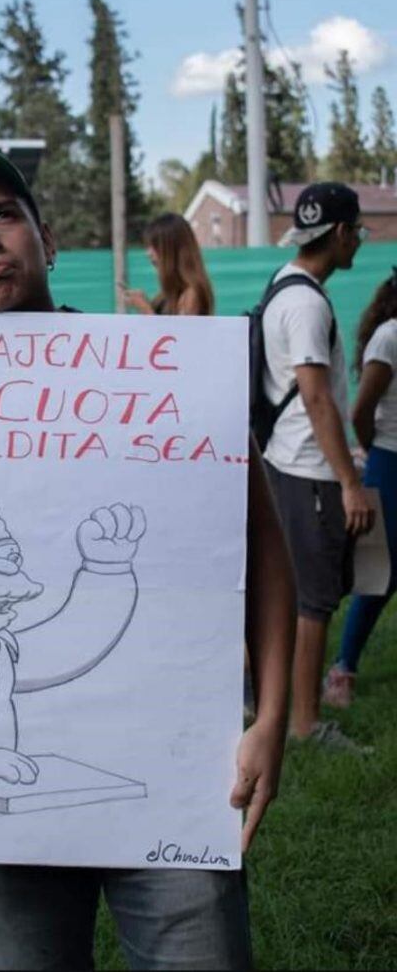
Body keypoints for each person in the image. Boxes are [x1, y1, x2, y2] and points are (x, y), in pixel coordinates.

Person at [0, 145, 295, 971]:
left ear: (46, 239)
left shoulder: (164, 374)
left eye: (4, 215)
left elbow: (259, 538)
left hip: (173, 781)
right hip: (9, 826)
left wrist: (271, 717)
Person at [260, 182, 375, 752]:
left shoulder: (284, 283)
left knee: (300, 593)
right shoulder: (307, 303)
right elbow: (315, 397)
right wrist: (351, 481)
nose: (360, 241)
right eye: (358, 231)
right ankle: (304, 725)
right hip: (309, 471)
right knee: (315, 600)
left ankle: (279, 705)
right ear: (338, 234)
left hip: (287, 461)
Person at [323, 268, 397, 708]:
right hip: (388, 460)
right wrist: (374, 451)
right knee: (378, 574)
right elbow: (361, 410)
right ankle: (342, 669)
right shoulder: (389, 337)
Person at [121, 211, 215, 316]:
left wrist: (145, 309)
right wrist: (145, 303)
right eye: (148, 246)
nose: (148, 253)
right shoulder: (169, 293)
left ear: (172, 250)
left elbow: (177, 332)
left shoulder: (191, 294)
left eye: (155, 246)